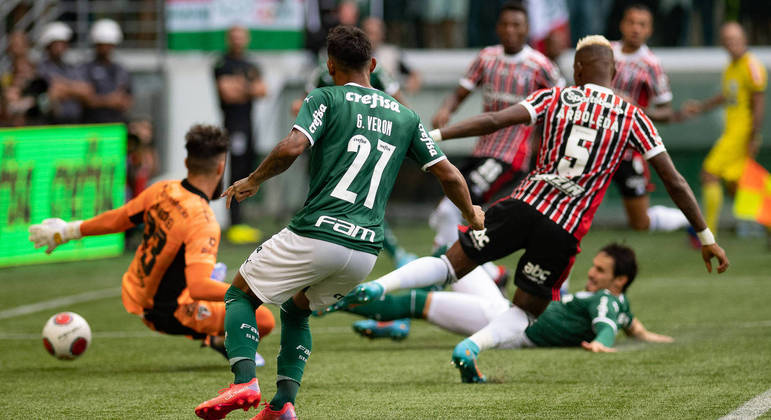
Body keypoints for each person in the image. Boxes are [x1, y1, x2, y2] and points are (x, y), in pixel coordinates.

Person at [330, 35, 729, 385]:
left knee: (452, 265)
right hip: (565, 229)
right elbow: (675, 181)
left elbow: (493, 121)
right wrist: (706, 237)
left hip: (525, 205)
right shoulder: (635, 118)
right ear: (614, 71)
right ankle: (471, 347)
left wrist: (432, 134)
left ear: (577, 68)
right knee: (525, 313)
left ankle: (378, 287)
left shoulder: (556, 96)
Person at [193, 26, 483, 420]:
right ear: (374, 64)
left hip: (318, 231)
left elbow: (294, 146)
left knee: (240, 295)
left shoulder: (325, 97)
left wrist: (253, 180)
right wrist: (471, 213)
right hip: (365, 250)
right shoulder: (407, 117)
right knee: (297, 310)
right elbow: (449, 174)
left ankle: (244, 379)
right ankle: (281, 406)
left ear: (330, 66)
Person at [27, 124, 275, 363]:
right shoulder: (203, 220)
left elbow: (119, 219)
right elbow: (199, 288)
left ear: (187, 162)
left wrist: (67, 231)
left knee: (210, 277)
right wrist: (255, 291)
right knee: (263, 319)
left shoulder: (163, 190)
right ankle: (218, 340)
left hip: (137, 290)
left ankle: (217, 322)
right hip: (167, 311)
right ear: (221, 167)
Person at [326, 244, 673, 377]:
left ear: (620, 280)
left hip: (508, 324)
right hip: (504, 306)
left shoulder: (607, 301)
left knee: (423, 301)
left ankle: (330, 300)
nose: (592, 273)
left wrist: (602, 342)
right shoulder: (618, 303)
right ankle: (394, 320)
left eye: (601, 271)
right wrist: (653, 337)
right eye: (594, 266)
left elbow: (606, 328)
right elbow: (631, 325)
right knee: (455, 262)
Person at [430, 1, 563, 250]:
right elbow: (459, 93)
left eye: (516, 25)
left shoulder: (541, 66)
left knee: (453, 209)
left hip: (512, 155)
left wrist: (545, 146)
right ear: (497, 28)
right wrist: (445, 110)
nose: (510, 30)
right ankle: (488, 272)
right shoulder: (486, 58)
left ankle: (454, 266)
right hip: (482, 150)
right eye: (505, 24)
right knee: (451, 211)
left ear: (527, 29)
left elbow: (561, 108)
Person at [610, 4, 692, 234]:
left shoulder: (651, 64)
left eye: (642, 24)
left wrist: (636, 108)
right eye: (631, 22)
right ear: (622, 24)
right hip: (596, 143)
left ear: (649, 30)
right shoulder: (604, 51)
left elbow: (666, 111)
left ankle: (683, 217)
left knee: (639, 223)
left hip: (628, 149)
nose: (636, 28)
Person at [680, 22, 767, 234]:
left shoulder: (751, 66)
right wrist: (701, 107)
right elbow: (727, 96)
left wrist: (753, 137)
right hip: (733, 132)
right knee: (736, 186)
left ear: (745, 39)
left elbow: (758, 104)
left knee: (709, 174)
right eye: (727, 40)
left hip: (740, 135)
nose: (732, 44)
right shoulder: (731, 67)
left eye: (735, 39)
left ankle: (709, 233)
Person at [213, 26, 267, 244]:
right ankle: (234, 222)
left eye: (241, 37)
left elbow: (263, 90)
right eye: (234, 37)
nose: (237, 41)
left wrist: (241, 86)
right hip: (233, 124)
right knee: (235, 169)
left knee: (247, 169)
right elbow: (227, 93)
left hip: (249, 124)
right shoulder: (222, 63)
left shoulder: (251, 63)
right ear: (228, 39)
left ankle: (242, 220)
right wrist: (248, 86)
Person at [35, 22, 91, 124]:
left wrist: (64, 88)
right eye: (56, 44)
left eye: (63, 43)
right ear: (48, 45)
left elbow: (86, 91)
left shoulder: (71, 67)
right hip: (52, 123)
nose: (60, 47)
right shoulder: (41, 68)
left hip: (75, 122)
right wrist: (74, 90)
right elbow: (51, 93)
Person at [81, 19, 133, 124]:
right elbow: (85, 100)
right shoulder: (85, 69)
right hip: (91, 125)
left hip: (116, 124)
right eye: (102, 44)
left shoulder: (120, 70)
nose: (106, 48)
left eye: (109, 44)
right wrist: (109, 101)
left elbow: (127, 98)